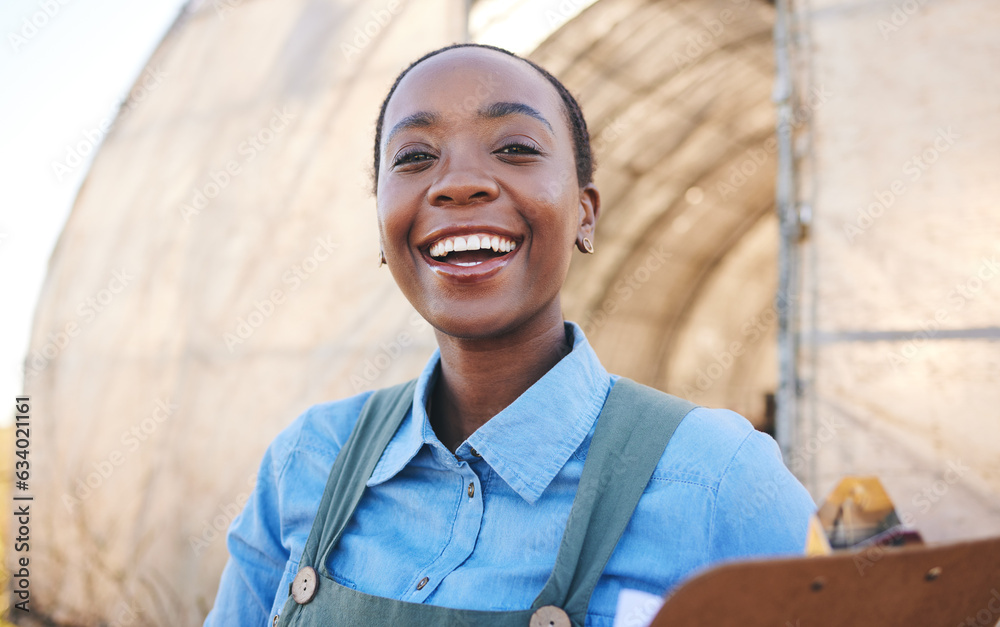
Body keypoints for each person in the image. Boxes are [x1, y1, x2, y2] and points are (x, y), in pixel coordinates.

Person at [205, 43, 815, 627]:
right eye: (415, 157)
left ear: (584, 210)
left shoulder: (715, 477)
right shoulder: (307, 461)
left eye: (516, 147)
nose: (459, 183)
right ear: (381, 225)